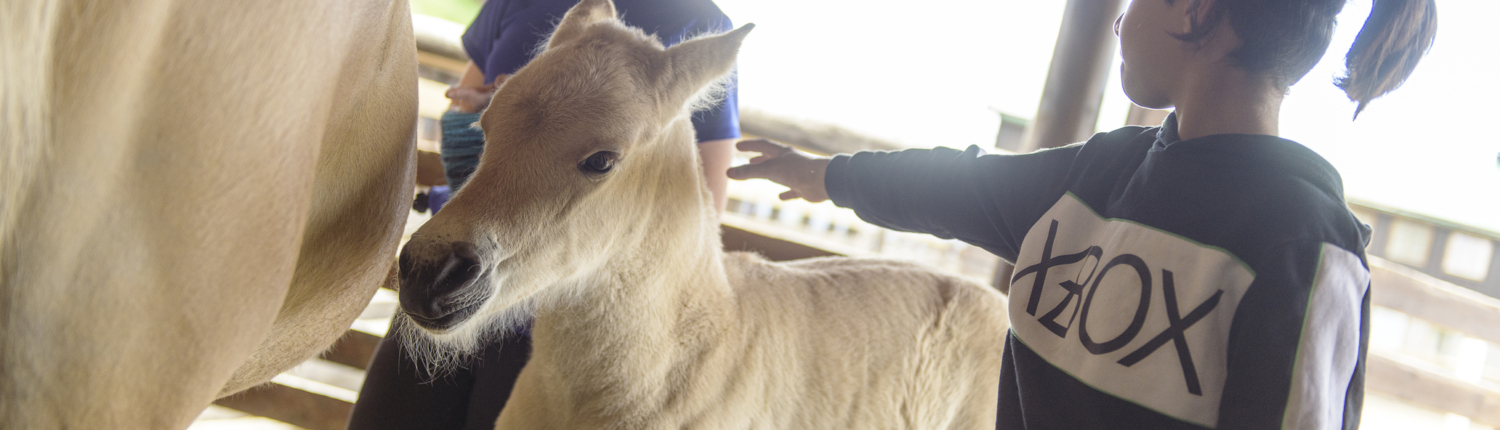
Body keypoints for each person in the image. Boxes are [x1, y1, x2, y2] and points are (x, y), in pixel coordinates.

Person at [727, 0, 1435, 428]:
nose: (1122, 19)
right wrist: (826, 174)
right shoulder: (1103, 171)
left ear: (1194, 10)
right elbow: (959, 185)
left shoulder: (1305, 243)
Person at [347, 1, 740, 429]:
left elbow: (700, 200)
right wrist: (495, 108)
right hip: (460, 262)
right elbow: (467, 108)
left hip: (556, 319)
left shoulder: (698, 20)